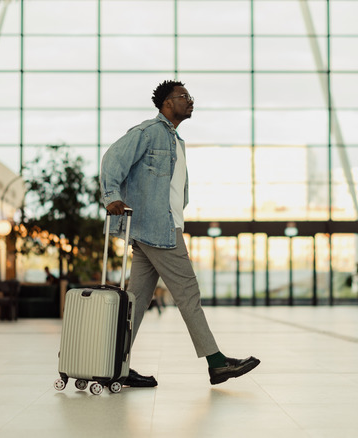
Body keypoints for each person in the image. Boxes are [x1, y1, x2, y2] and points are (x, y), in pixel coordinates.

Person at [100, 80, 260, 387]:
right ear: (167, 103)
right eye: (183, 96)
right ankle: (217, 362)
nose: (190, 100)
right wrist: (111, 197)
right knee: (188, 293)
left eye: (190, 96)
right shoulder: (149, 132)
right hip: (159, 228)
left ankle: (113, 366)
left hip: (156, 227)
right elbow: (112, 159)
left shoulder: (176, 140)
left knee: (136, 301)